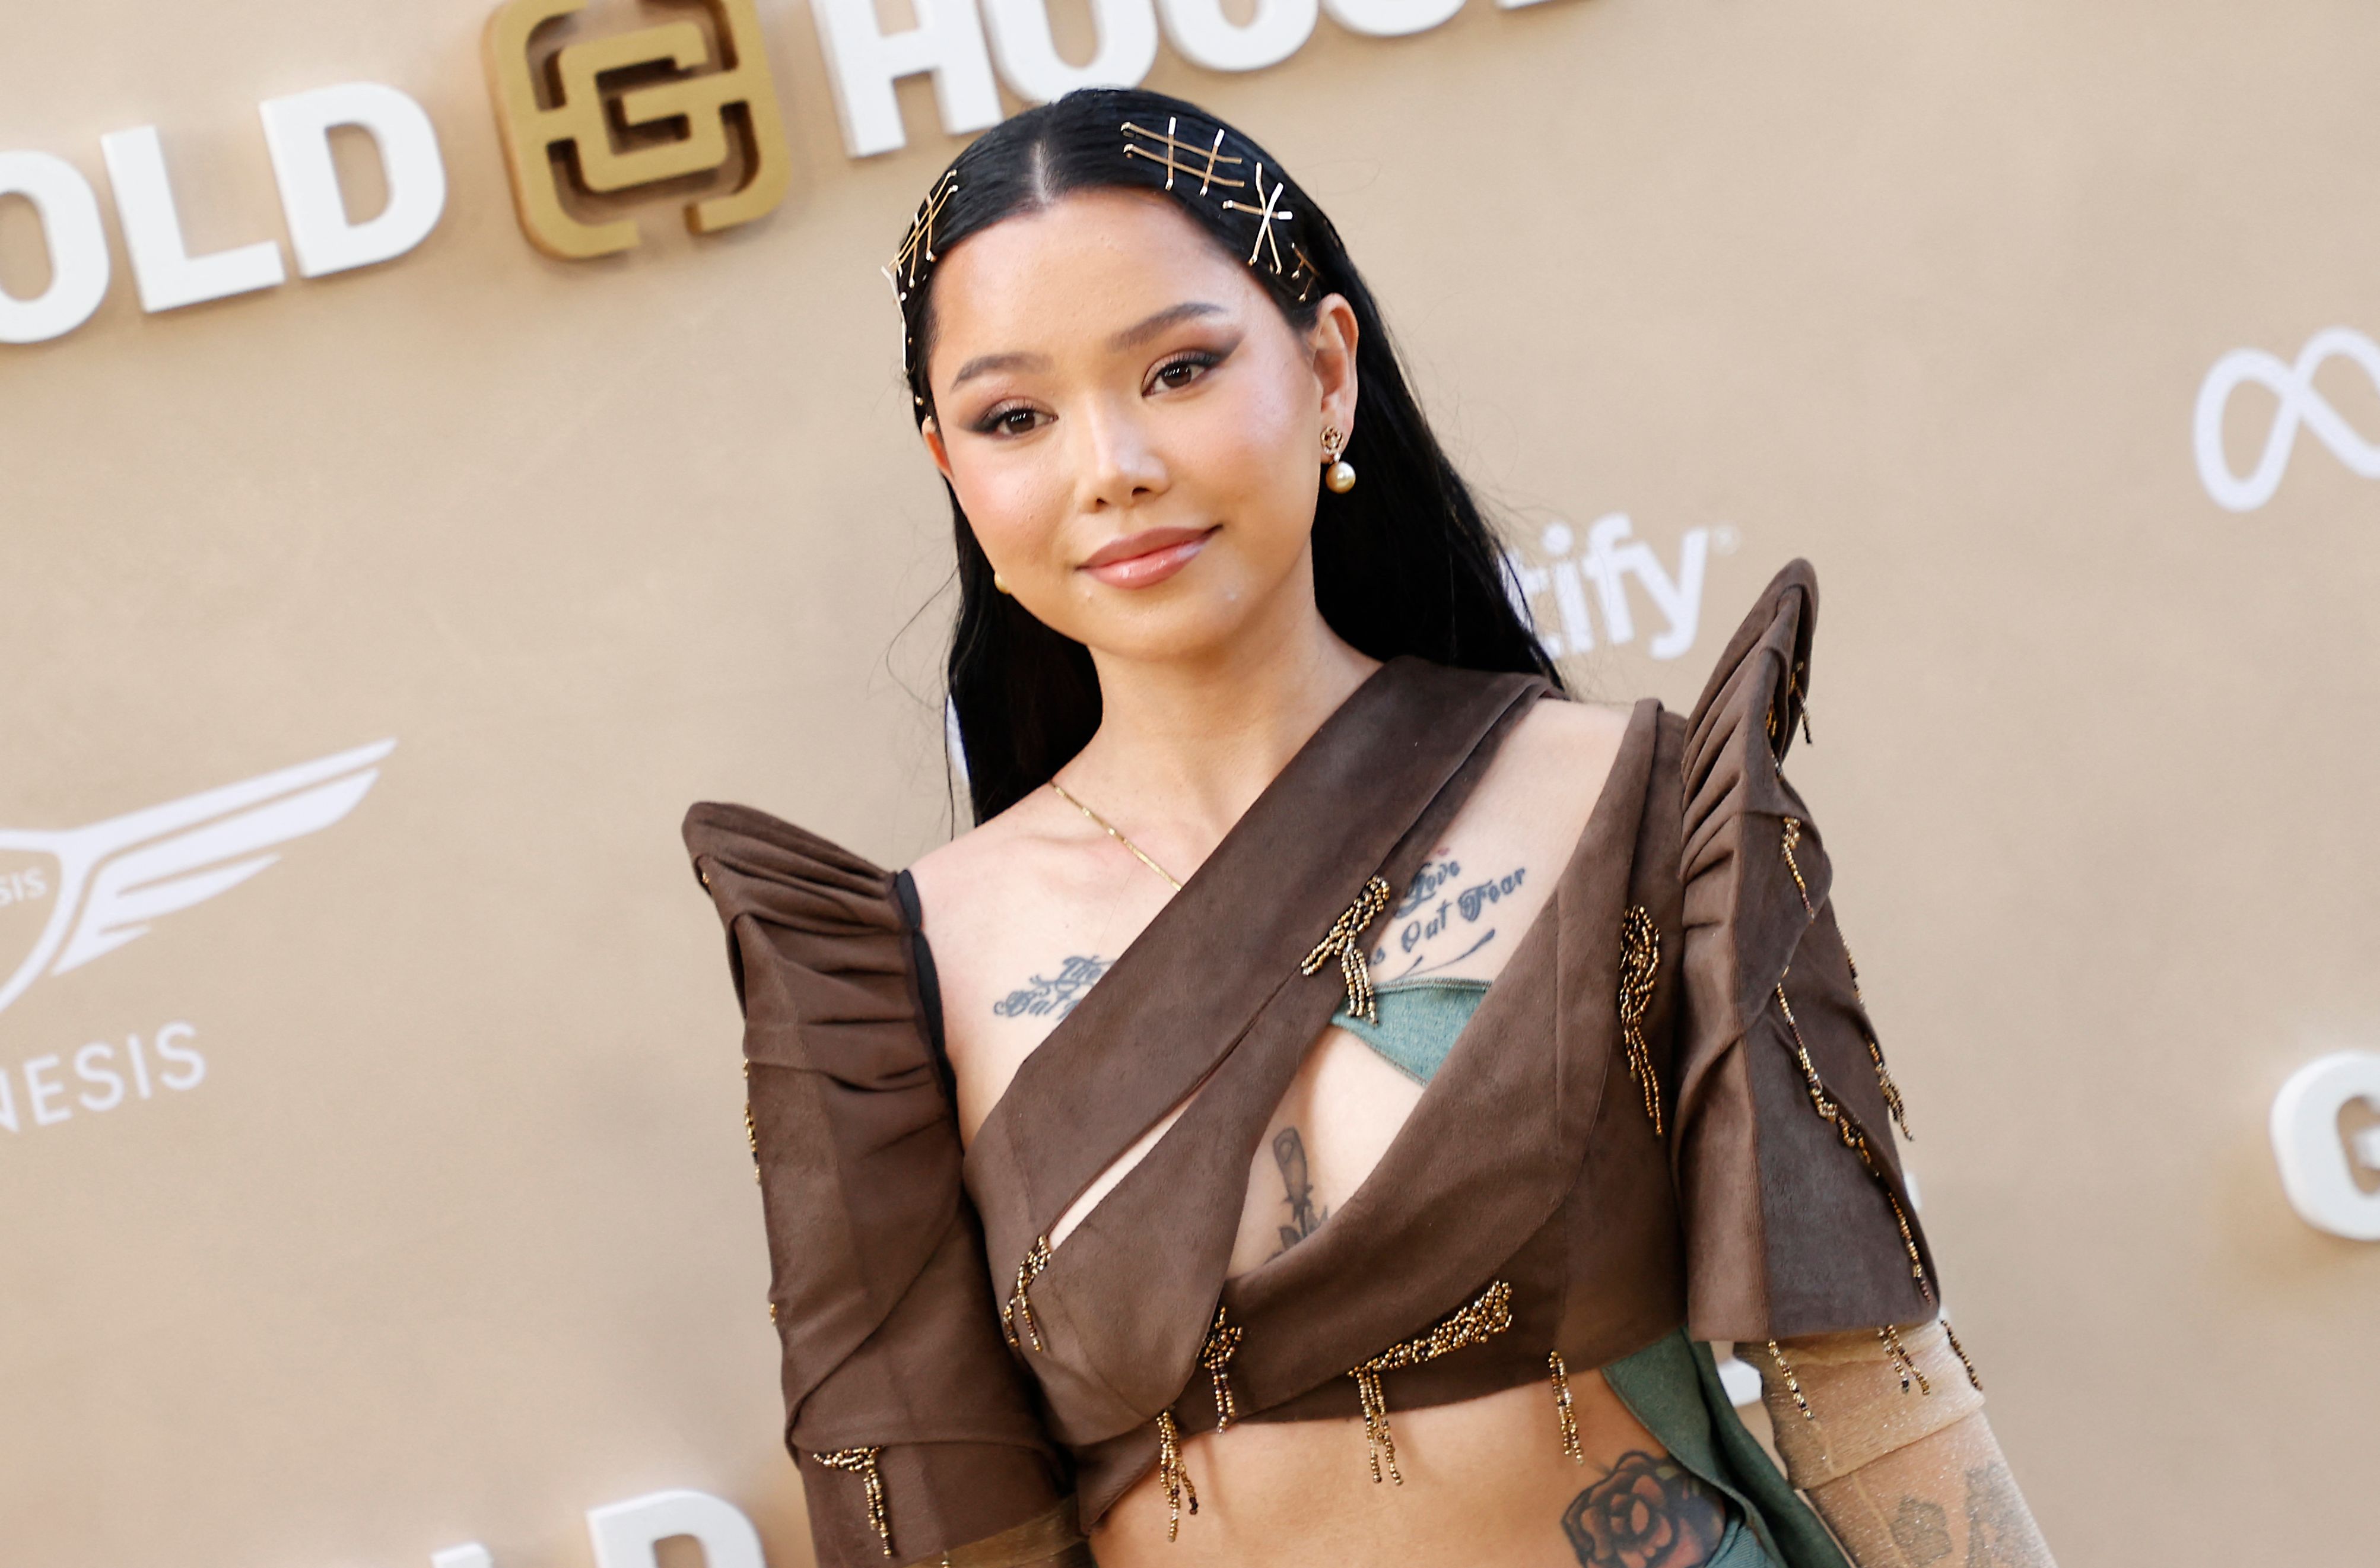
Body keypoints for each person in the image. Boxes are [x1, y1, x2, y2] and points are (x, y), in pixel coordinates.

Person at [684, 88, 2057, 1568]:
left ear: (1326, 372)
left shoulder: (1641, 806)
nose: (1109, 464)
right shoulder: (896, 975)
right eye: (1014, 416)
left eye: (1179, 369)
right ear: (953, 467)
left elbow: (1863, 1387)